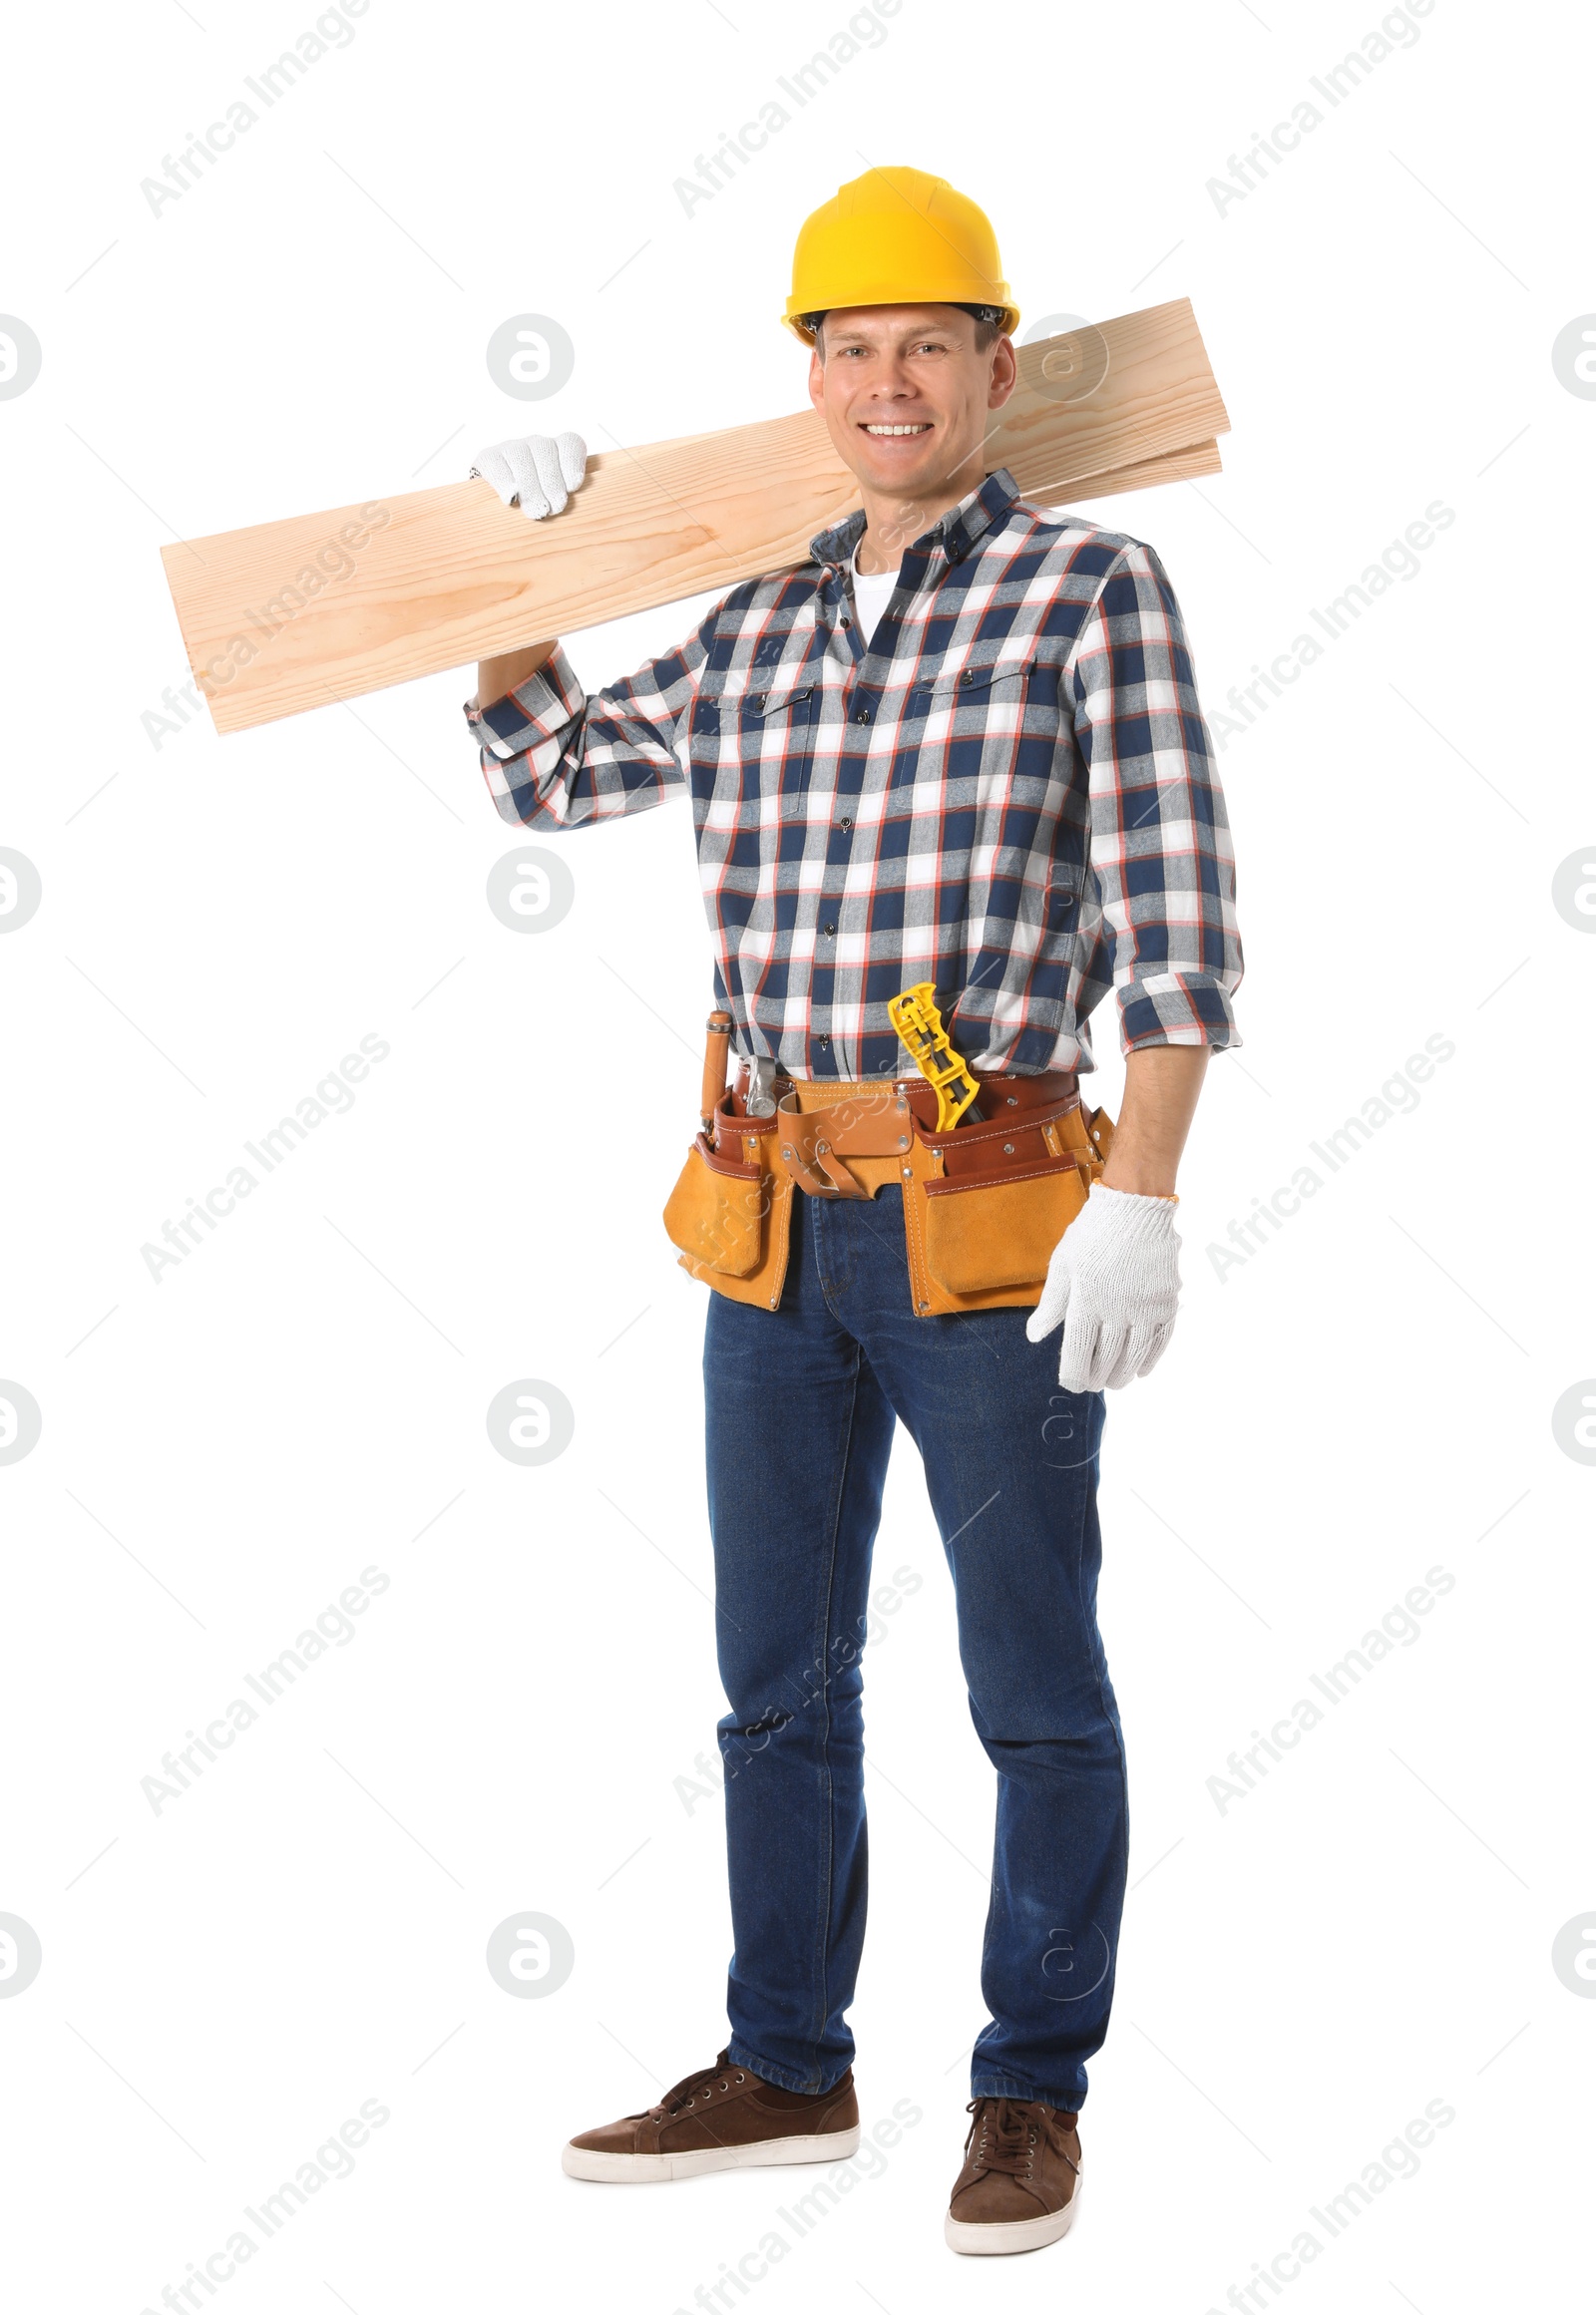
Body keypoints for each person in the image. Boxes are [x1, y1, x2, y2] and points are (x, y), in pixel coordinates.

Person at [463, 166, 1242, 2256]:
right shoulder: (748, 623)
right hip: (770, 1231)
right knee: (773, 1681)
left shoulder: (1089, 592)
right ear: (803, 377)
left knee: (1028, 1685)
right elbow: (548, 774)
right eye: (845, 346)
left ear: (994, 365)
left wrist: (1140, 1199)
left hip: (992, 1229)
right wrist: (500, 565)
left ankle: (1026, 2091)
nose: (883, 382)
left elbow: (1177, 926)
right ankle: (786, 2064)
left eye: (923, 342)